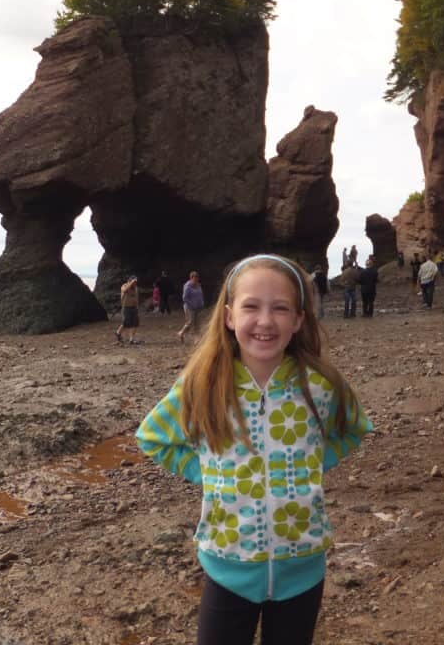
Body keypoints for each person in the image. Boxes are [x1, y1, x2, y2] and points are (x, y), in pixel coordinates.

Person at [136, 254, 372, 645]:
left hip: (303, 568)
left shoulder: (321, 384)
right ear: (229, 316)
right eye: (251, 307)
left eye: (280, 308)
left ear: (298, 319)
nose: (265, 321)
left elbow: (353, 429)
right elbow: (153, 437)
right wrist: (207, 471)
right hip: (227, 566)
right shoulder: (204, 382)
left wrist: (310, 464)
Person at [178, 271, 205, 342]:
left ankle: (197, 338)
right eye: (195, 278)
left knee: (197, 323)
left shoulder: (198, 285)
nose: (196, 279)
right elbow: (184, 298)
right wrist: (192, 304)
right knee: (190, 322)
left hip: (198, 307)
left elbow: (200, 294)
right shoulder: (187, 286)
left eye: (197, 278)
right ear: (191, 278)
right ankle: (181, 333)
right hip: (189, 307)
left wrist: (201, 302)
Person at [115, 276, 141, 345]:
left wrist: (137, 306)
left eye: (135, 282)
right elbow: (124, 290)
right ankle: (118, 332)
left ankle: (131, 339)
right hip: (126, 308)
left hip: (134, 308)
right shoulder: (124, 285)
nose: (135, 283)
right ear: (129, 281)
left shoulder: (135, 288)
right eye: (134, 282)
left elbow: (136, 298)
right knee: (126, 323)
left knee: (135, 323)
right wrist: (131, 282)